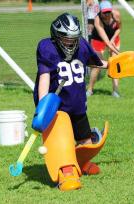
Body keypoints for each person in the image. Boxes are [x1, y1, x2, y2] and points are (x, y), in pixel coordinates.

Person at [33, 13, 109, 191]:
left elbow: (94, 62)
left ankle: (81, 164)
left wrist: (113, 64)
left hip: (76, 103)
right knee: (62, 142)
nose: (69, 42)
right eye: (66, 39)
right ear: (57, 36)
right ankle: (66, 172)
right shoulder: (47, 48)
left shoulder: (81, 45)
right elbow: (44, 77)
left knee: (86, 142)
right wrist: (44, 104)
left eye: (73, 38)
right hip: (56, 107)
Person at [87, 0, 121, 98]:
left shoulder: (116, 14)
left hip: (114, 39)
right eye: (104, 12)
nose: (107, 14)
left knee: (115, 63)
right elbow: (106, 40)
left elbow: (119, 28)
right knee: (97, 65)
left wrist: (113, 39)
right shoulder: (97, 20)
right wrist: (119, 53)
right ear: (100, 11)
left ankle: (115, 91)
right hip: (99, 41)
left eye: (108, 12)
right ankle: (90, 90)